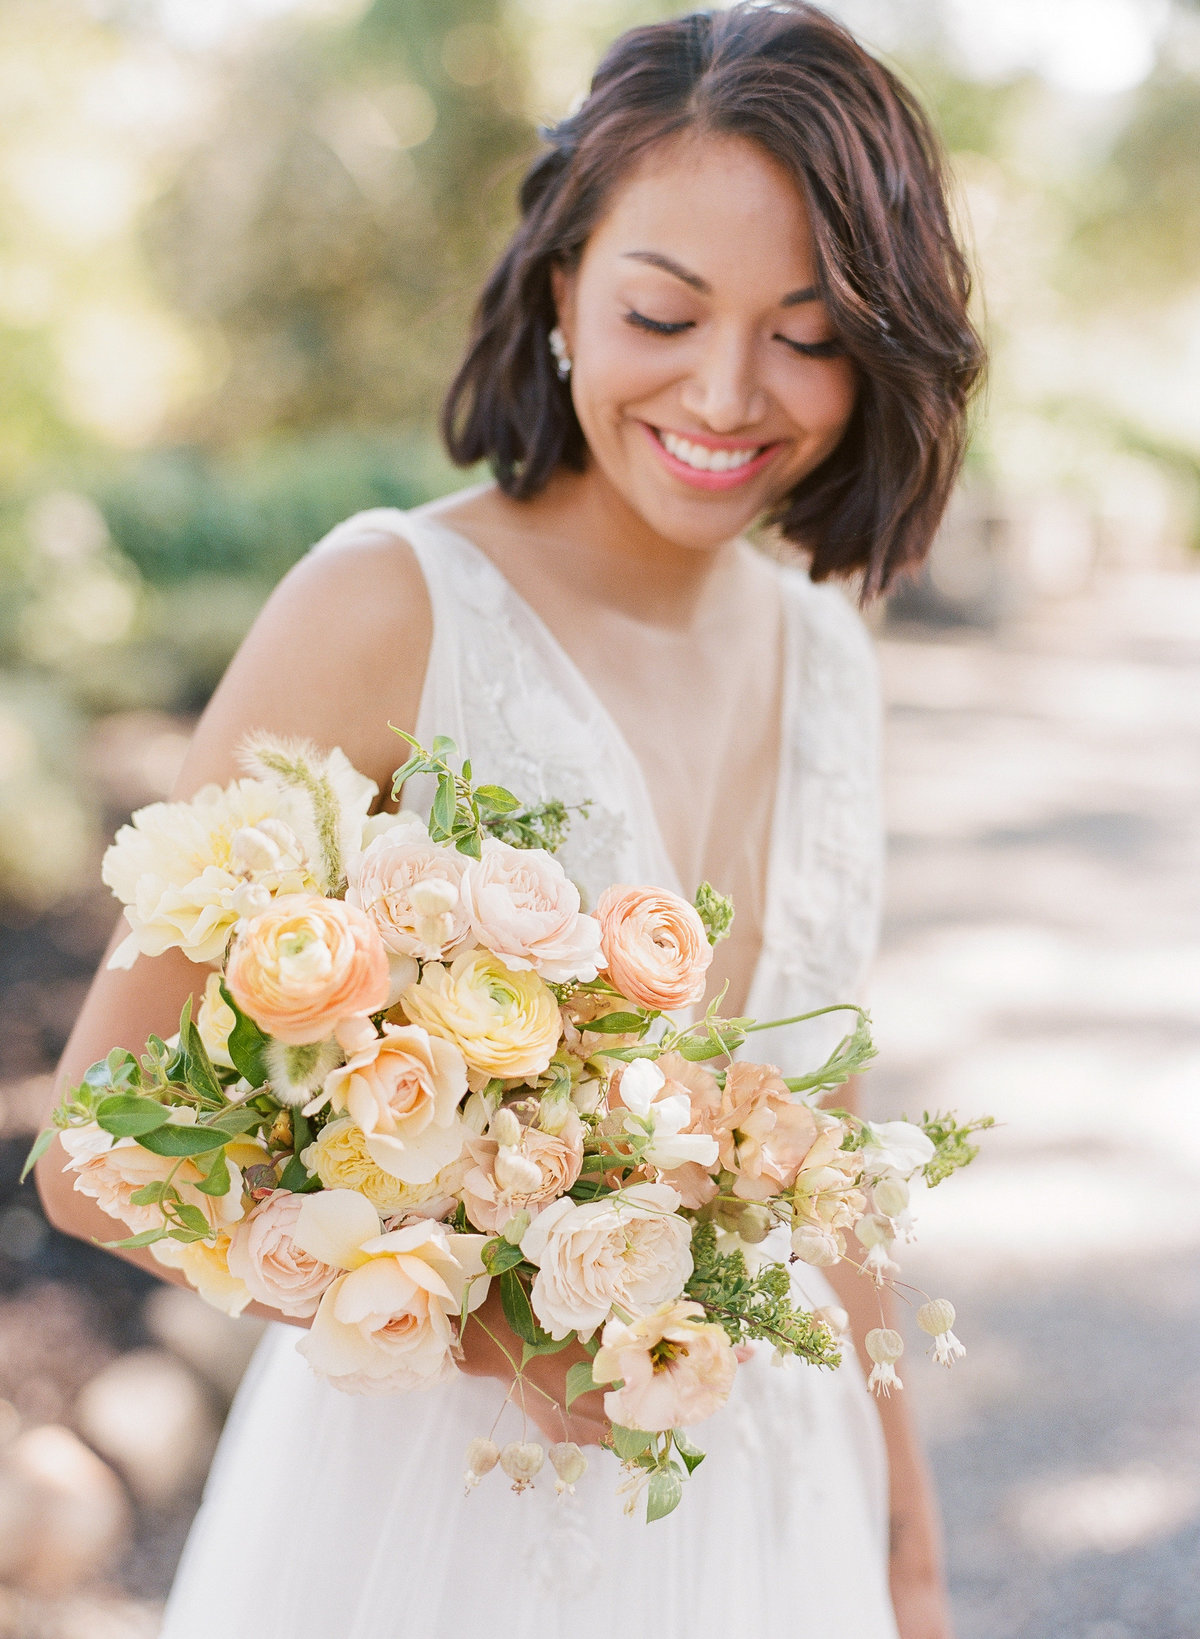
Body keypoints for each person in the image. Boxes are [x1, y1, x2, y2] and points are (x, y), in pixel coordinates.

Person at [37, 5, 983, 1635]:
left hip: (775, 1500)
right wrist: (486, 1329)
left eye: (809, 334)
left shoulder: (832, 649)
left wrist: (903, 1530)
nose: (727, 390)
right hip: (439, 1519)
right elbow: (94, 1154)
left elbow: (818, 1136)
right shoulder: (387, 604)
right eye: (664, 311)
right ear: (562, 289)